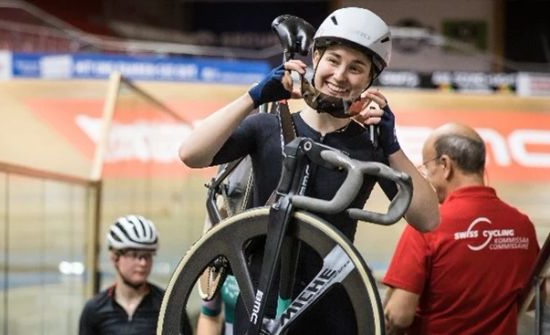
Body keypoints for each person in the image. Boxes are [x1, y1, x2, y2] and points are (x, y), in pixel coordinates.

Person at [179, 7, 439, 334]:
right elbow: (191, 153)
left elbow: (428, 220)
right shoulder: (267, 127)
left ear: (370, 80)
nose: (341, 75)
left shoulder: (371, 147)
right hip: (261, 303)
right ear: (315, 57)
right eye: (333, 60)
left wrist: (392, 146)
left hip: (332, 309)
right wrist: (253, 96)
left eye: (356, 67)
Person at [382, 123, 540, 335]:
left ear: (445, 165)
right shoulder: (523, 226)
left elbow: (399, 315)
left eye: (427, 168)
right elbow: (532, 299)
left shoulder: (428, 226)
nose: (426, 177)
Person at [78, 214, 192, 335]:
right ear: (115, 258)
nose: (143, 263)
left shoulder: (169, 306)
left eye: (148, 255)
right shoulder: (94, 309)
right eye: (134, 255)